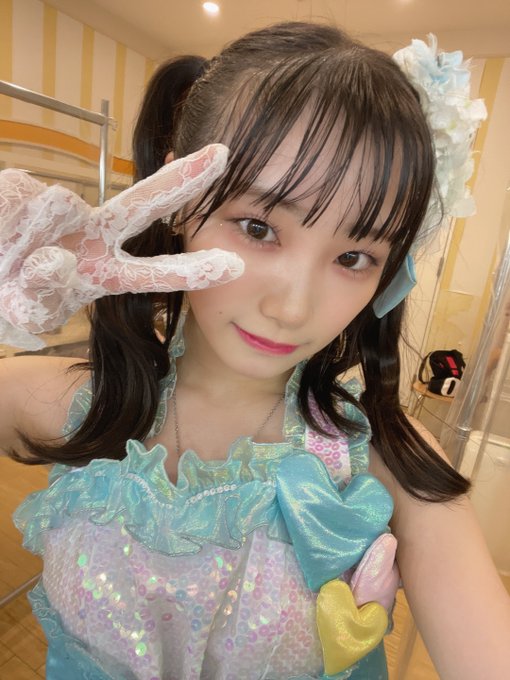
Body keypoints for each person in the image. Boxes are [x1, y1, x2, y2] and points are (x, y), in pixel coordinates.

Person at [0, 21, 509, 680]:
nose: (293, 308)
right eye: (258, 227)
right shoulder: (70, 402)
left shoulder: (382, 460)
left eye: (353, 257)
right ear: (180, 198)